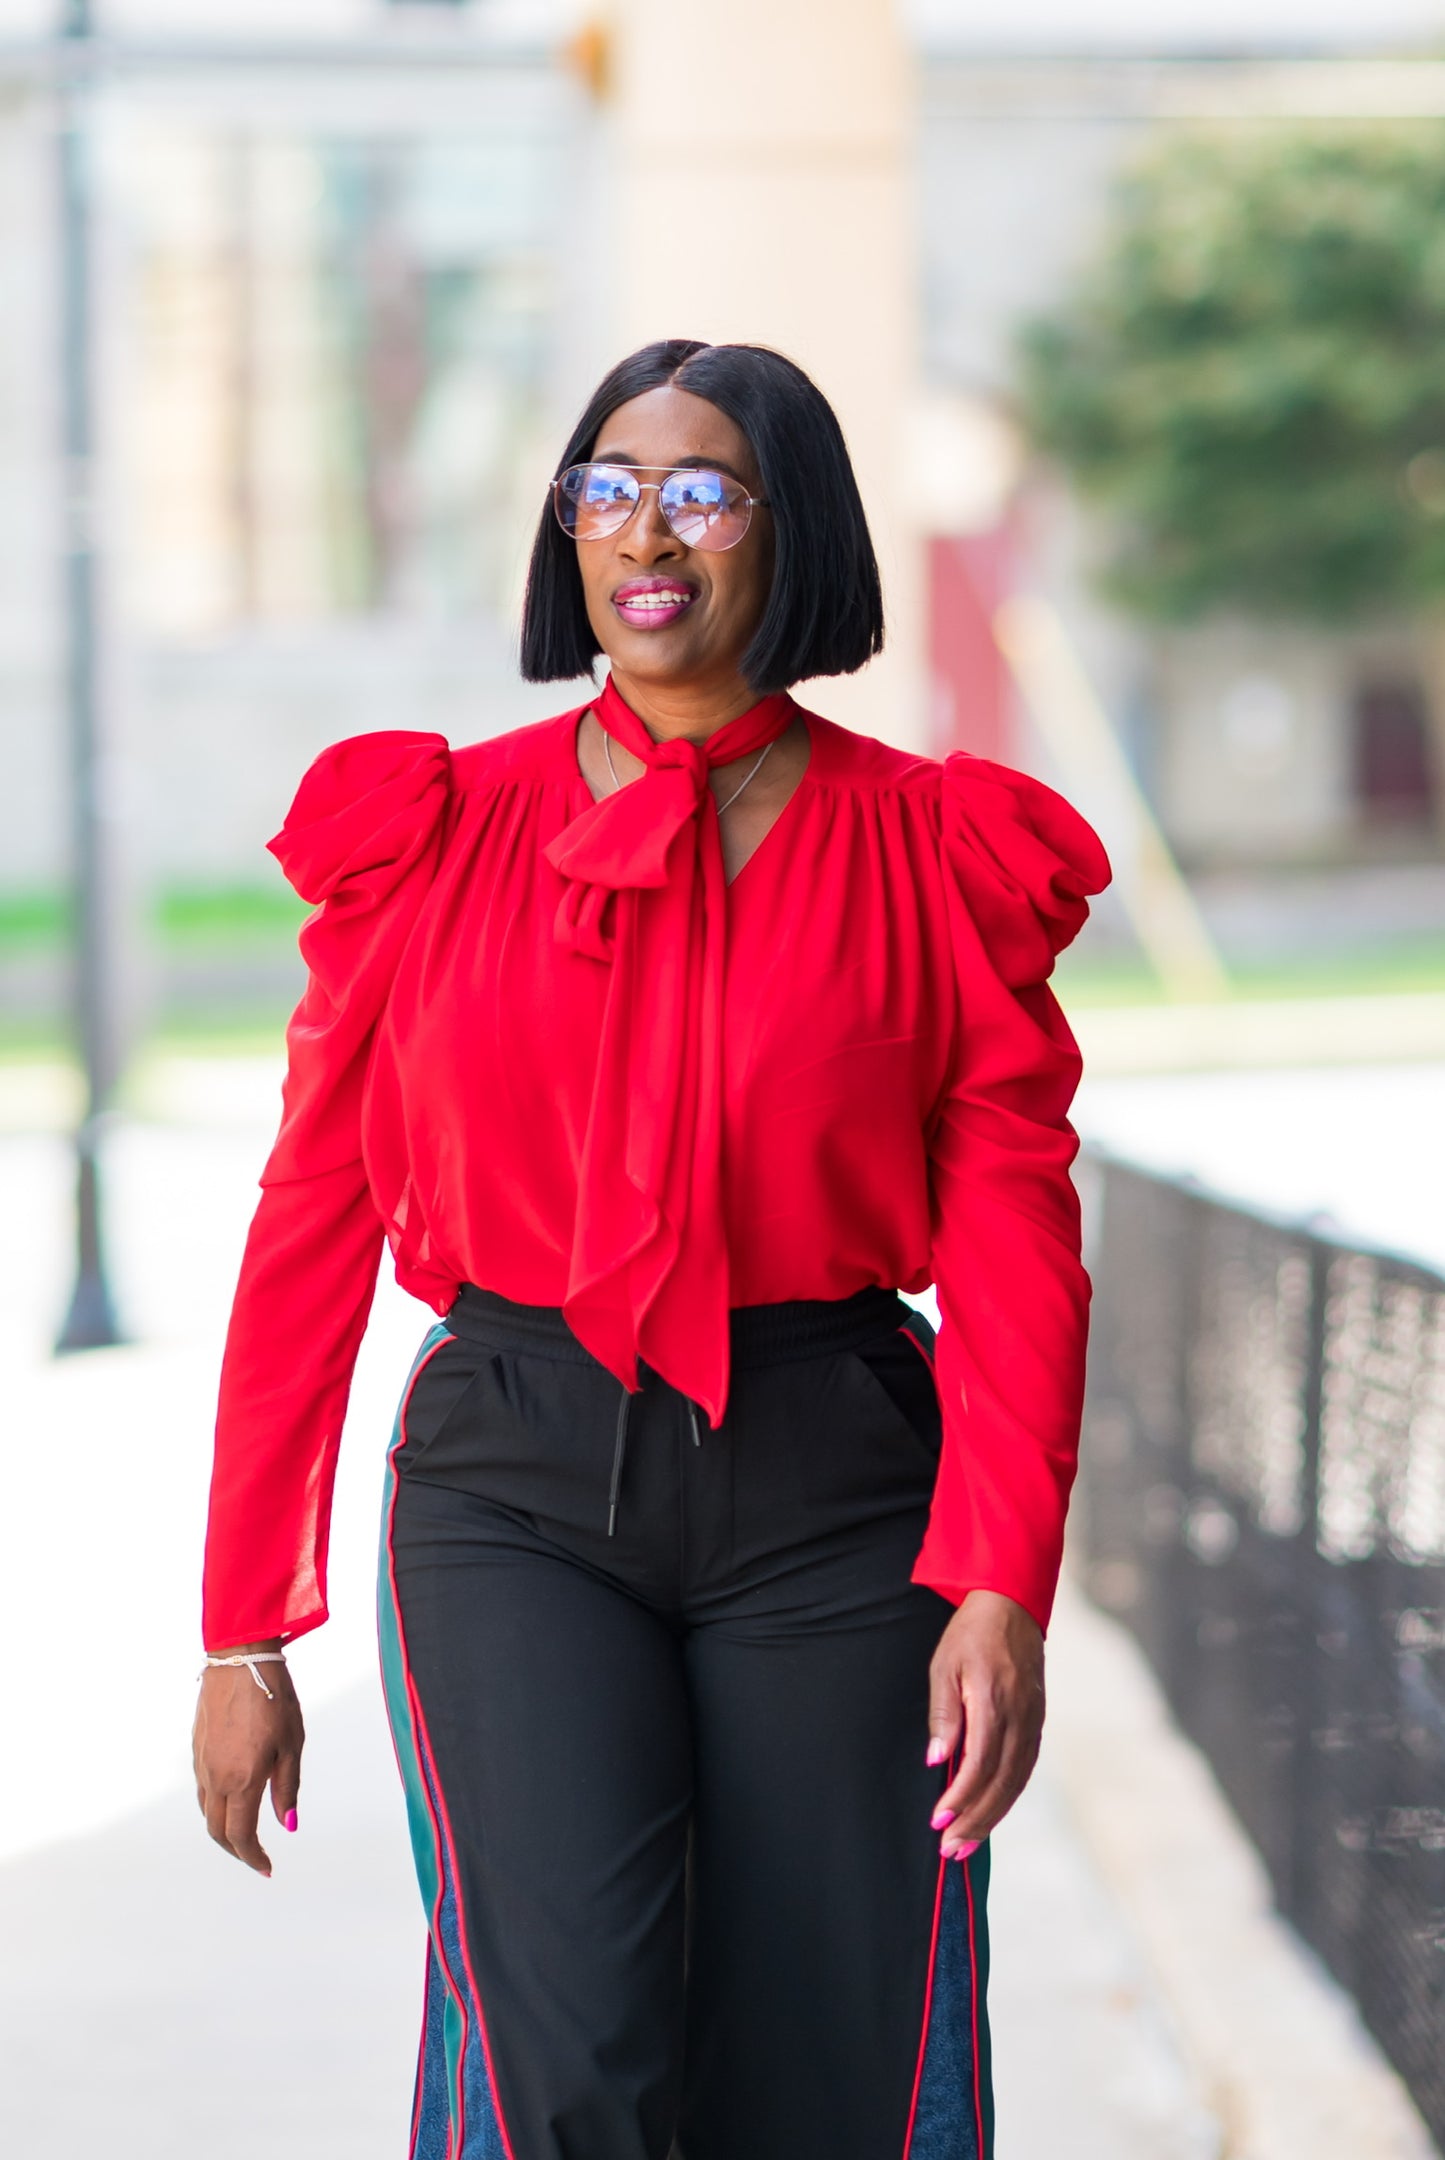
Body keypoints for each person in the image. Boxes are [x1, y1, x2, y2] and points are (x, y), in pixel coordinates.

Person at [193, 337, 1110, 2160]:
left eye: (704, 490)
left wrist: (999, 1575)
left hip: (840, 1483)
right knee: (570, 2046)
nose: (647, 533)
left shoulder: (931, 852)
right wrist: (244, 1625)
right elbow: (309, 1214)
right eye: (607, 488)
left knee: (828, 2047)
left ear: (796, 534)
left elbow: (1014, 1226)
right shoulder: (435, 840)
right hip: (515, 1478)